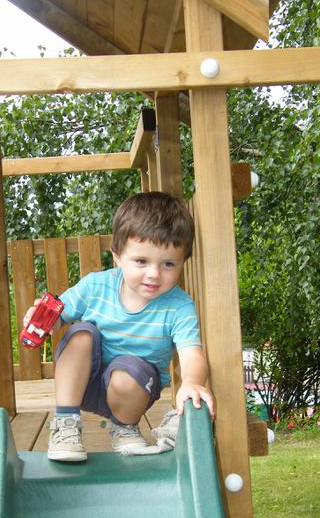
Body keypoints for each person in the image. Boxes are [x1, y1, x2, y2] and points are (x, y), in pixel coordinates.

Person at [23, 192, 215, 462]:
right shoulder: (95, 286)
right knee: (82, 334)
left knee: (130, 368)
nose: (154, 274)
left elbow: (191, 353)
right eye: (141, 261)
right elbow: (59, 316)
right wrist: (44, 320)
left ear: (183, 261)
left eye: (168, 264)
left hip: (132, 391)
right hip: (83, 382)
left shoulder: (179, 306)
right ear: (117, 256)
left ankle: (124, 427)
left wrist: (192, 382)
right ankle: (66, 423)